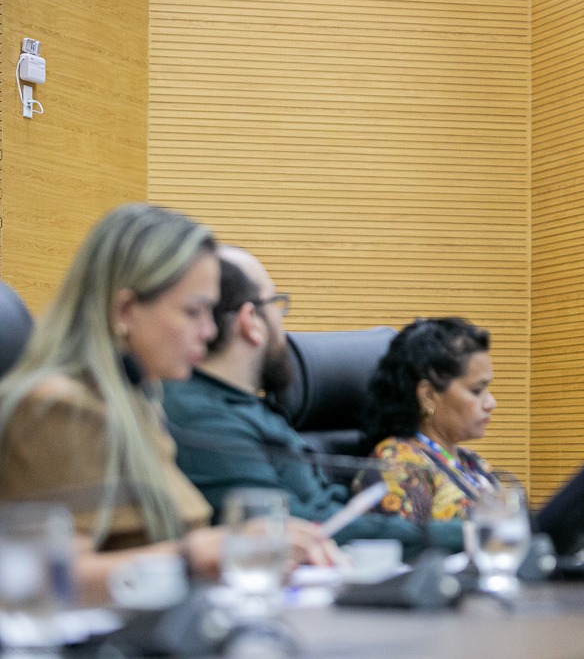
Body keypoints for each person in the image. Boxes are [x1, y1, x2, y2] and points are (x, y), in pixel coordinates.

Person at [0, 204, 333, 604]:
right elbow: (44, 581)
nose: (209, 331)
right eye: (193, 311)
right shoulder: (57, 409)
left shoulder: (138, 401)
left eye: (211, 311)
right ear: (125, 310)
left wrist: (240, 545)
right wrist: (200, 555)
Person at [163, 245, 457, 553]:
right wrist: (464, 537)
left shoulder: (255, 407)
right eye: (276, 304)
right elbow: (289, 528)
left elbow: (333, 509)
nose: (282, 321)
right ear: (251, 320)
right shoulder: (200, 416)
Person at [355, 317, 500, 525]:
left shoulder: (473, 463)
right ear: (429, 396)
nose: (491, 403)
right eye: (477, 390)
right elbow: (406, 547)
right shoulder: (398, 462)